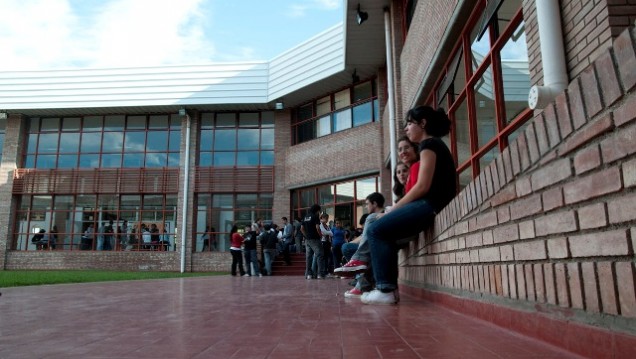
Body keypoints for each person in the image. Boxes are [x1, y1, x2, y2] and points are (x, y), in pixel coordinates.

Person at [361, 106, 456, 305]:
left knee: (377, 229)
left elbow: (422, 187)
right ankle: (389, 290)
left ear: (423, 124)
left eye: (410, 123)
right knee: (383, 233)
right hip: (430, 203)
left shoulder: (429, 144)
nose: (406, 128)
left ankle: (385, 289)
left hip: (431, 204)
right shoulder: (431, 145)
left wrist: (393, 209)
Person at [336, 193, 385, 299]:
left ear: (374, 203)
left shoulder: (381, 215)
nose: (366, 207)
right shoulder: (371, 218)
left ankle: (361, 283)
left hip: (377, 245)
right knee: (346, 247)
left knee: (367, 254)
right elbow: (364, 236)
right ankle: (359, 274)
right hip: (368, 247)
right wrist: (350, 243)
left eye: (367, 204)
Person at [301, 204, 324, 279]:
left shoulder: (305, 217)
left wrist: (306, 236)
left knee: (308, 257)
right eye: (319, 211)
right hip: (315, 239)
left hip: (307, 240)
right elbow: (317, 227)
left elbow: (302, 229)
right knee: (319, 255)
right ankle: (320, 274)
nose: (319, 212)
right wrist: (321, 235)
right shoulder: (315, 216)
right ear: (317, 210)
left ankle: (309, 274)